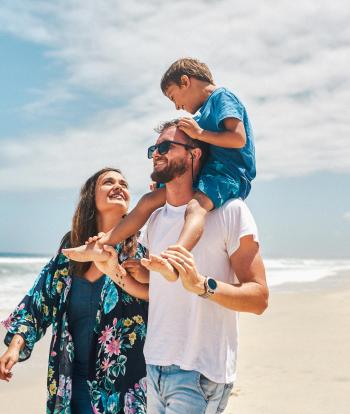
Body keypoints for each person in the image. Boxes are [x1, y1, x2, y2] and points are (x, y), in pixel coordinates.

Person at [62, 58, 255, 283]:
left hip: (229, 174)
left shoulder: (222, 98)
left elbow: (238, 139)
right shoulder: (201, 114)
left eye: (174, 97)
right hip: (207, 172)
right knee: (148, 200)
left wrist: (200, 134)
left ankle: (176, 258)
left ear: (185, 81)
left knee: (196, 207)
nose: (176, 106)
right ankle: (102, 244)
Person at [139, 121, 267, 413]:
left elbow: (259, 298)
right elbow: (157, 293)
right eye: (153, 149)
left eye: (164, 147)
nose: (155, 154)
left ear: (194, 154)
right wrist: (118, 271)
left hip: (200, 372)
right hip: (154, 365)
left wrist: (202, 286)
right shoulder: (155, 220)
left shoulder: (231, 212)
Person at [0, 168, 149, 414]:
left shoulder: (140, 252)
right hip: (71, 384)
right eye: (108, 182)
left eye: (124, 183)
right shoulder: (72, 250)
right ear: (91, 197)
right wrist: (15, 346)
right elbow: (38, 303)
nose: (119, 186)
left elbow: (165, 302)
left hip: (124, 388)